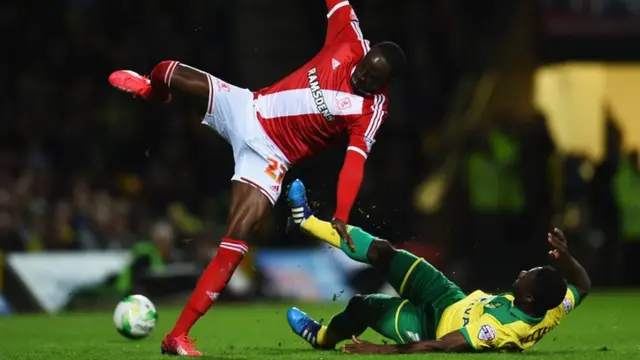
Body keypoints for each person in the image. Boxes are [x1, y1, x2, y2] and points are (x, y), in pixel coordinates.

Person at [108, 1, 405, 356]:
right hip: (247, 109)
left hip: (270, 157)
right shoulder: (349, 38)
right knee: (167, 69)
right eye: (363, 69)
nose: (361, 77)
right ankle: (152, 92)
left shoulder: (370, 111)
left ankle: (177, 336)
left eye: (372, 79)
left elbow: (354, 163)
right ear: (366, 54)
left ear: (385, 83)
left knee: (236, 240)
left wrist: (341, 213)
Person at [285, 179, 591, 354]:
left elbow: (443, 345)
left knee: (362, 306)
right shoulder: (553, 307)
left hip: (429, 324)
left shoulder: (501, 330)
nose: (523, 273)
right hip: (449, 297)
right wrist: (566, 259)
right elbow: (582, 285)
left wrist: (381, 350)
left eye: (529, 276)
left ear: (529, 299)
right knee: (384, 252)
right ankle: (307, 221)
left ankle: (322, 337)